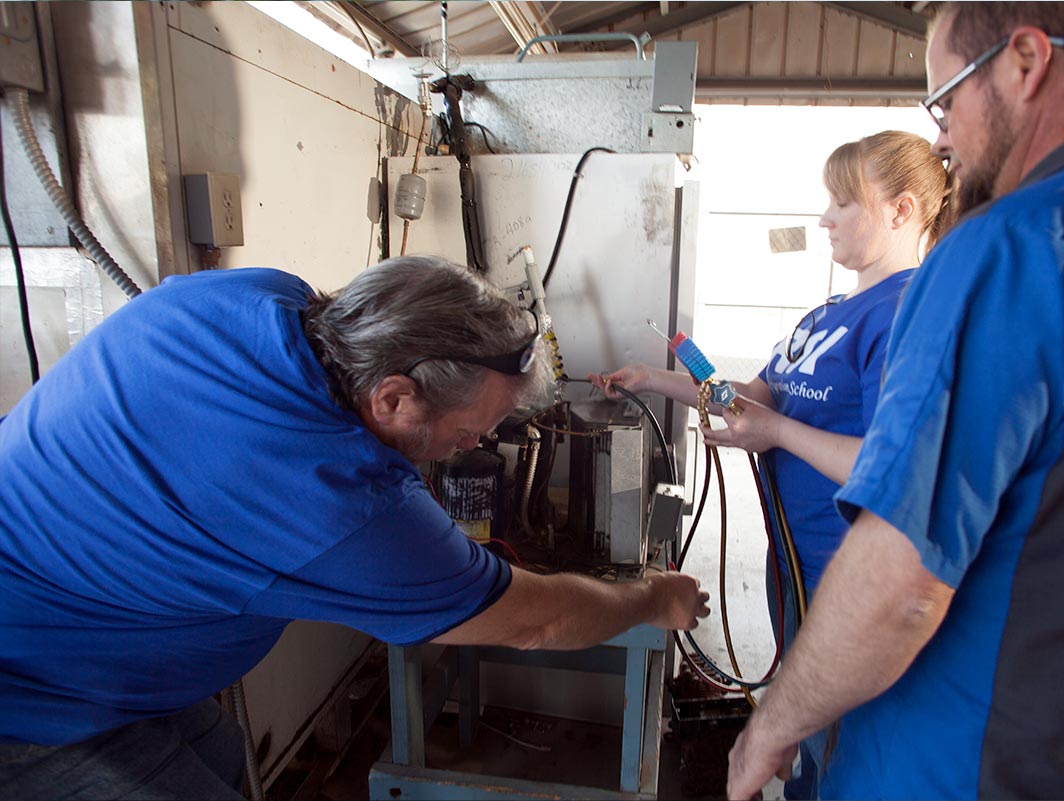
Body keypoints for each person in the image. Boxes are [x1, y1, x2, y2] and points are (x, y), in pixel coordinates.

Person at [0, 256, 710, 800]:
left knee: (218, 750)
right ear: (394, 394)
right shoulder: (343, 500)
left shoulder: (255, 296)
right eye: (467, 433)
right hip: (32, 687)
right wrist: (652, 597)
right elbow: (534, 622)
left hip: (85, 625)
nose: (471, 448)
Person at [727, 3, 1064, 799]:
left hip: (966, 760)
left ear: (1025, 62)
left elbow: (900, 582)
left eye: (945, 101)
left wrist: (774, 723)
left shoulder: (1014, 246)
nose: (941, 138)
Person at [593, 130, 953, 797]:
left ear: (902, 211)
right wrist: (654, 378)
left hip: (847, 576)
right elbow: (748, 399)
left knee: (848, 745)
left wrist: (779, 433)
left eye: (844, 203)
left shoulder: (906, 313)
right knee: (810, 735)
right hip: (794, 568)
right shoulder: (832, 314)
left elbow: (893, 467)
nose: (824, 219)